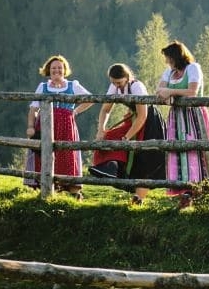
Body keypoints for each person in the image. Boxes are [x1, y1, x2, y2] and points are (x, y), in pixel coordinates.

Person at [88, 63, 166, 204]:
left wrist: (126, 137)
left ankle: (138, 198)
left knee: (145, 158)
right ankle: (111, 167)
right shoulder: (114, 86)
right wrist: (101, 129)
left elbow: (142, 115)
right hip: (134, 118)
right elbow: (106, 109)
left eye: (119, 82)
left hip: (149, 122)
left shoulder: (136, 86)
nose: (116, 86)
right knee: (109, 136)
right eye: (113, 82)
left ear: (127, 78)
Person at [156, 40, 209, 208]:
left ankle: (198, 189)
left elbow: (192, 91)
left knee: (194, 149)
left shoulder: (193, 68)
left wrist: (171, 92)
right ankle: (184, 190)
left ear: (177, 56)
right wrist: (167, 94)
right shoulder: (169, 73)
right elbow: (159, 91)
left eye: (169, 58)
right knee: (178, 151)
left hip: (193, 114)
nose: (167, 62)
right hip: (176, 116)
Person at [25, 54, 94, 199]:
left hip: (66, 126)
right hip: (44, 126)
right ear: (48, 70)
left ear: (64, 70)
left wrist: (75, 111)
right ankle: (43, 188)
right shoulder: (43, 87)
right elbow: (33, 109)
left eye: (60, 68)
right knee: (43, 156)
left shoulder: (72, 85)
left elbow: (90, 99)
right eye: (53, 68)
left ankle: (73, 190)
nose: (57, 70)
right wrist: (30, 126)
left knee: (67, 154)